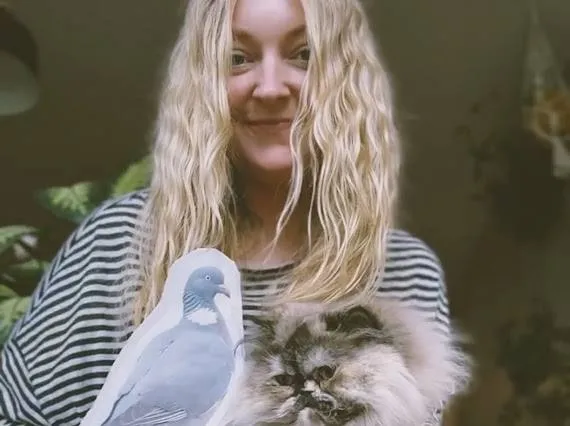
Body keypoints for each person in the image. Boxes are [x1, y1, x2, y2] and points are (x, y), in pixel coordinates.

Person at [0, 0, 452, 424]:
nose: (270, 87)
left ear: (346, 77)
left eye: (305, 54)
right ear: (204, 82)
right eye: (237, 58)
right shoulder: (119, 241)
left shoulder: (405, 268)